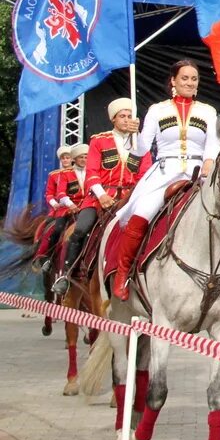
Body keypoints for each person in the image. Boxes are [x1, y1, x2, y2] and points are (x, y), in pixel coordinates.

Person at [113, 59, 220, 301]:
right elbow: (141, 150)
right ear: (173, 81)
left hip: (197, 172)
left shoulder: (208, 111)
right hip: (164, 172)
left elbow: (213, 144)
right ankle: (123, 273)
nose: (190, 83)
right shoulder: (157, 110)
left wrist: (208, 163)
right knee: (141, 214)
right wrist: (132, 133)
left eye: (194, 78)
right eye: (185, 78)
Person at [55, 98, 150, 295]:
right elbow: (91, 172)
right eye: (122, 116)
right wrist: (102, 195)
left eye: (129, 116)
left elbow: (145, 174)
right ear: (113, 119)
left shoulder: (142, 143)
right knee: (80, 229)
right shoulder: (100, 140)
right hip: (100, 197)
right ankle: (66, 274)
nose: (126, 120)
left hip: (130, 198)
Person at [32, 145, 73, 273]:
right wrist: (54, 203)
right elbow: (49, 193)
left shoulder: (80, 172)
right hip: (60, 208)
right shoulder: (54, 175)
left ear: (72, 159)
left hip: (79, 206)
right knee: (54, 228)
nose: (66, 160)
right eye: (63, 158)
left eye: (68, 158)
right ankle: (45, 256)